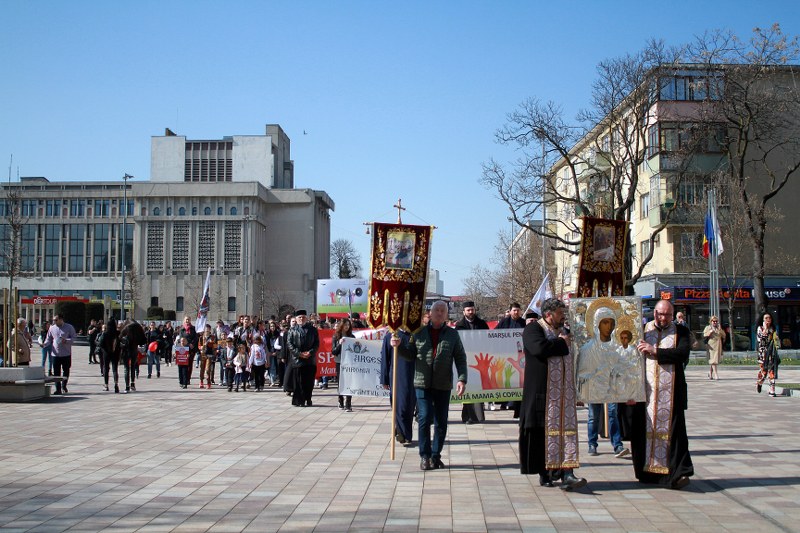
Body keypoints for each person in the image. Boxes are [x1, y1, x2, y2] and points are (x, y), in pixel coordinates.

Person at [624, 299, 693, 490]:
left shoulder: (681, 331)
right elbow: (629, 360)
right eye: (660, 314)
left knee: (675, 435)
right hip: (645, 395)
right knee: (642, 434)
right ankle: (647, 473)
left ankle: (677, 474)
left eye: (667, 315)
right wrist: (629, 390)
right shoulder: (642, 330)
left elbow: (682, 354)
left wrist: (655, 351)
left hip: (672, 395)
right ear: (654, 313)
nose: (663, 318)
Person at [519, 298, 587, 490]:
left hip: (565, 395)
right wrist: (561, 343)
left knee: (567, 433)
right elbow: (539, 348)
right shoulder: (533, 329)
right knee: (543, 434)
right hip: (544, 393)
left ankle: (568, 473)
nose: (563, 316)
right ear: (549, 314)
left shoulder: (565, 331)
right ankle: (546, 472)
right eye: (560, 313)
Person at [391, 300, 468, 471]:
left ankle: (435, 456)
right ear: (430, 313)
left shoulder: (452, 335)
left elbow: (460, 358)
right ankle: (424, 456)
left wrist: (462, 379)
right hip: (422, 383)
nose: (439, 313)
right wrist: (398, 347)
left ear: (446, 315)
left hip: (443, 384)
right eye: (436, 310)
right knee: (424, 418)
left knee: (441, 421)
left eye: (442, 311)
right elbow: (410, 355)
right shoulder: (418, 333)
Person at [454, 301, 488, 424]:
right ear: (464, 312)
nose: (470, 312)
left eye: (472, 309)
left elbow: (488, 340)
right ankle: (467, 416)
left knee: (479, 387)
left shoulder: (482, 324)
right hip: (466, 360)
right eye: (468, 310)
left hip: (480, 360)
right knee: (468, 388)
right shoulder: (459, 326)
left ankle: (478, 416)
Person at [381, 327, 415, 446]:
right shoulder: (390, 336)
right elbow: (385, 358)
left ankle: (403, 432)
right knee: (400, 406)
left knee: (410, 406)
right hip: (396, 376)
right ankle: (403, 435)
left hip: (413, 375)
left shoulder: (414, 335)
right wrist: (384, 379)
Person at [495, 302, 526, 416]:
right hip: (506, 354)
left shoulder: (523, 323)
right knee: (506, 379)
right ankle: (504, 402)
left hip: (519, 355)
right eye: (514, 310)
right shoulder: (504, 322)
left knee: (517, 380)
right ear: (510, 311)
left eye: (518, 310)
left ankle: (515, 404)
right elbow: (494, 334)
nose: (516, 312)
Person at [287, 310, 320, 407]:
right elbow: (290, 344)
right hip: (297, 360)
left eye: (303, 317)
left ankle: (308, 399)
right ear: (296, 319)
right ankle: (299, 401)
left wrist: (310, 352)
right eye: (299, 317)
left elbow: (316, 343)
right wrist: (299, 354)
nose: (301, 319)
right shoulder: (292, 330)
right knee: (298, 382)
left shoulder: (312, 330)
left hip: (310, 360)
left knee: (309, 381)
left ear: (306, 318)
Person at [43, 314, 76, 395]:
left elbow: (74, 338)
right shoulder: (52, 328)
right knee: (56, 372)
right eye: (53, 320)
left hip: (66, 353)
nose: (54, 321)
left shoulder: (69, 327)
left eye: (56, 320)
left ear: (61, 320)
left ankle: (64, 385)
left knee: (66, 370)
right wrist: (44, 344)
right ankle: (58, 389)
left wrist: (66, 340)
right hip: (55, 354)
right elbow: (48, 339)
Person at [331, 317, 355, 412]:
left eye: (348, 325)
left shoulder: (352, 337)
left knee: (349, 382)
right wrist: (340, 344)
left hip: (349, 362)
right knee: (341, 382)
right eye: (345, 325)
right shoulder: (336, 336)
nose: (347, 327)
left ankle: (348, 403)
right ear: (341, 326)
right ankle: (340, 400)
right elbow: (334, 351)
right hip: (340, 362)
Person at [756, 312, 780, 396]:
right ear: (763, 320)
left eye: (769, 318)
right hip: (763, 353)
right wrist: (765, 329)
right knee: (764, 372)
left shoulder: (773, 329)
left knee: (771, 370)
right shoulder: (760, 328)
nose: (768, 319)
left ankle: (772, 390)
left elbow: (776, 340)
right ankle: (760, 382)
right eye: (766, 318)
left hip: (771, 353)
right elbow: (761, 341)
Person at [119, 321, 147, 393]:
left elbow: (119, 339)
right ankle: (132, 384)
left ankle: (127, 387)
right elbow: (144, 340)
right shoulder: (138, 329)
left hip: (126, 351)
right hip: (134, 350)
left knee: (126, 368)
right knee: (133, 367)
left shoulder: (125, 329)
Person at [98, 320, 120, 392]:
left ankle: (106, 385)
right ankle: (116, 384)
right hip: (115, 353)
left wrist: (105, 349)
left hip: (106, 353)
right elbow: (120, 343)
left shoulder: (105, 333)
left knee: (106, 368)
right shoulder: (117, 333)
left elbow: (100, 343)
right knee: (115, 369)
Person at [703, 316, 725, 381]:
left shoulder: (719, 328)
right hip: (711, 346)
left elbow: (724, 335)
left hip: (718, 346)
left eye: (716, 321)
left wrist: (720, 329)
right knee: (713, 360)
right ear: (711, 321)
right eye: (713, 321)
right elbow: (704, 335)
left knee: (714, 360)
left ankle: (710, 373)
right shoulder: (708, 327)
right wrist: (709, 332)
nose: (715, 322)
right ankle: (715, 374)